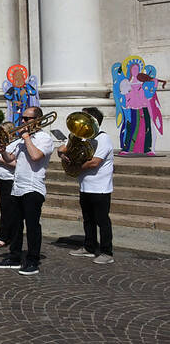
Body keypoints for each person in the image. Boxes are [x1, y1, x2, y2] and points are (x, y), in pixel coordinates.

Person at [0, 106, 54, 275]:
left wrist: (26, 137)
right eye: (23, 118)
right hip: (18, 185)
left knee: (32, 225)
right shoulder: (20, 139)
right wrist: (4, 151)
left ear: (38, 120)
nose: (23, 122)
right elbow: (11, 159)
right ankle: (14, 256)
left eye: (27, 119)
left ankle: (33, 260)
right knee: (15, 224)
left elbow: (35, 156)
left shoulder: (44, 138)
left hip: (33, 187)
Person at [59, 107, 115, 264]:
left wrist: (75, 167)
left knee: (102, 220)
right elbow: (62, 149)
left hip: (100, 188)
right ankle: (89, 247)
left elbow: (95, 162)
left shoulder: (103, 139)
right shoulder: (80, 137)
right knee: (88, 219)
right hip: (85, 186)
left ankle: (106, 252)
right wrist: (63, 153)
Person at [0, 148, 17, 249]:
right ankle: (6, 236)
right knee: (5, 208)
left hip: (11, 179)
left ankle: (4, 237)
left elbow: (18, 163)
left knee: (8, 210)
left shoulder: (19, 143)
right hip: (2, 178)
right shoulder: (7, 142)